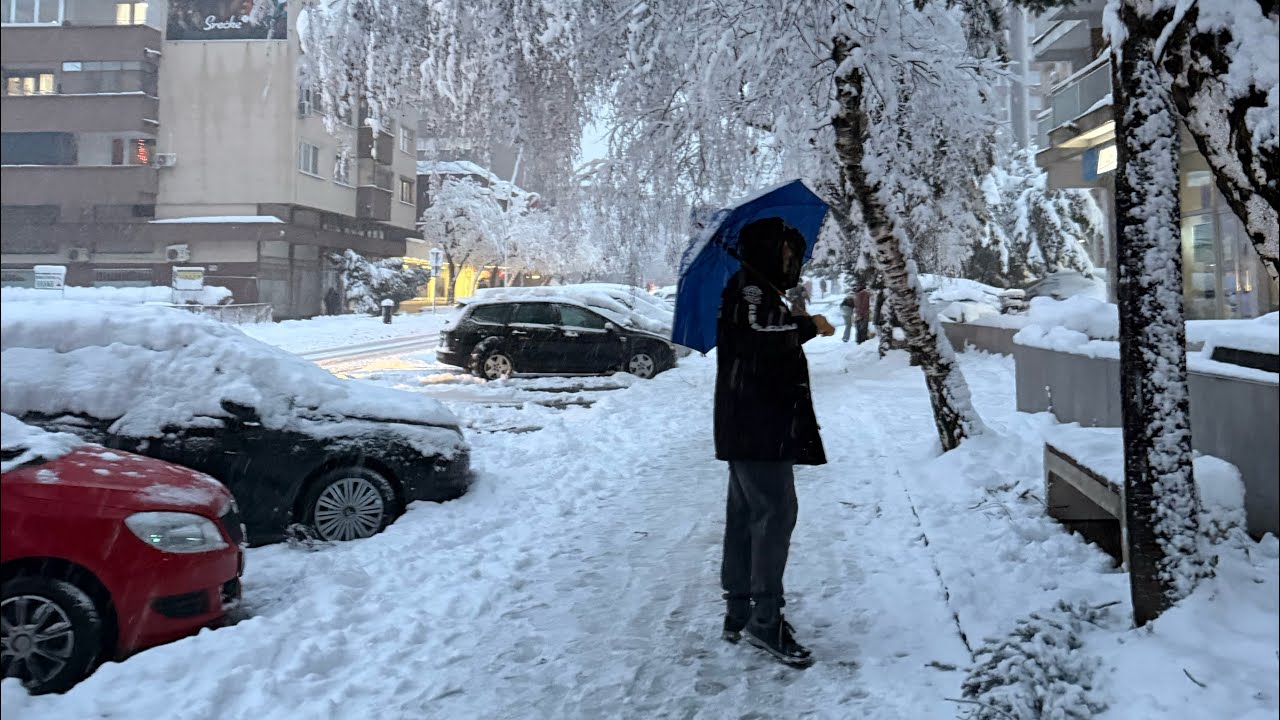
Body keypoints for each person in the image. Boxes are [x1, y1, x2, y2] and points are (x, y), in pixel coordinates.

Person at [715, 217, 834, 668]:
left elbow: (761, 337)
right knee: (775, 514)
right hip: (756, 425)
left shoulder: (758, 290)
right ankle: (764, 620)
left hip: (753, 422)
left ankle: (739, 610)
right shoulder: (750, 291)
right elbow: (759, 339)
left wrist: (792, 319)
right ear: (767, 250)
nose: (792, 261)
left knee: (747, 517)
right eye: (786, 252)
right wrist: (806, 326)